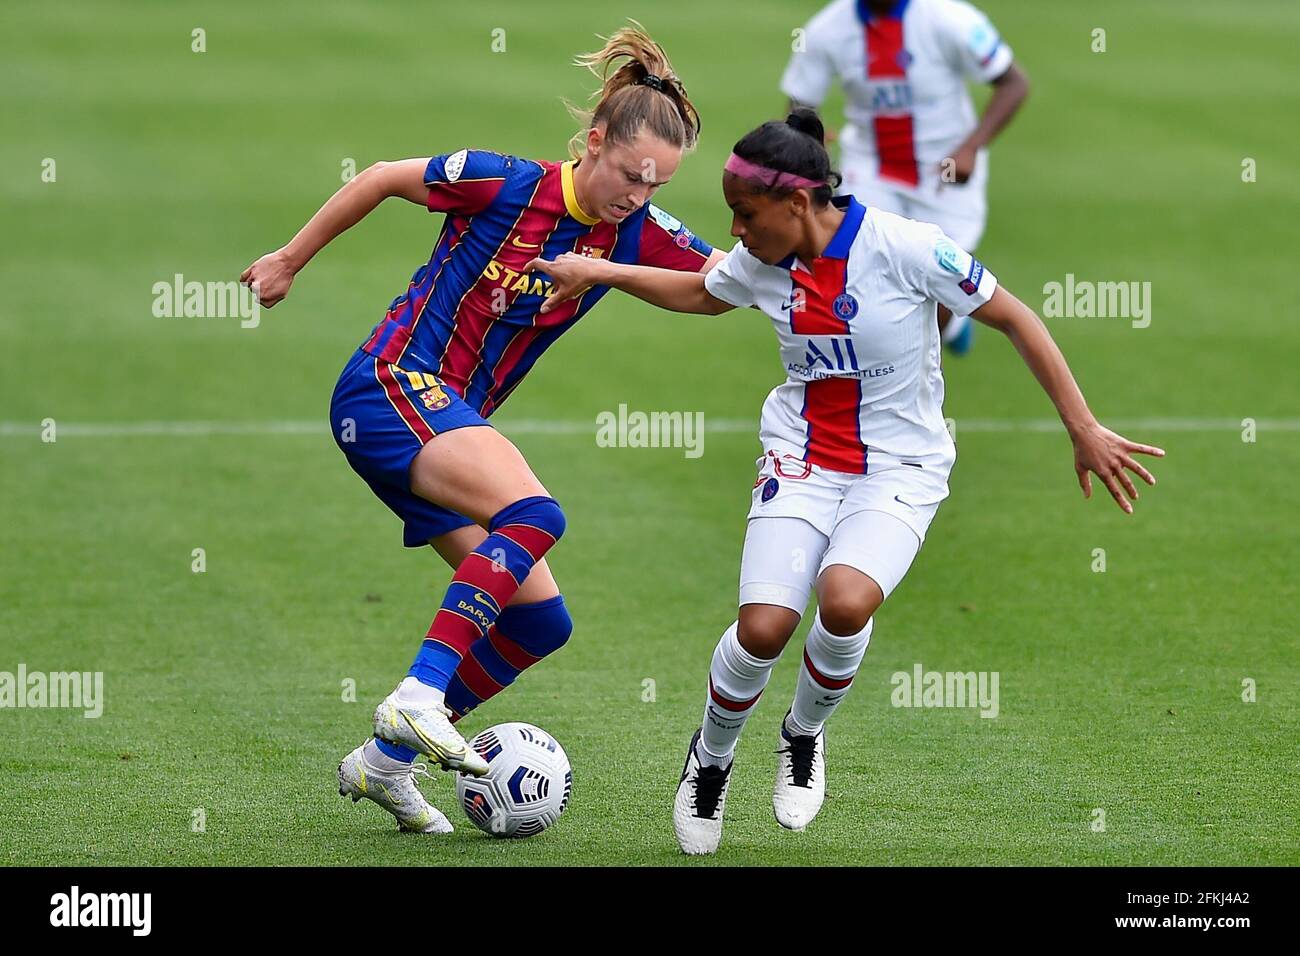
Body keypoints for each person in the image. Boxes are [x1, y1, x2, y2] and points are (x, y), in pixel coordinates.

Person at [529, 109, 1163, 855]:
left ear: (797, 205)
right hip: (800, 458)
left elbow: (1015, 317)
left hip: (902, 466)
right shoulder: (765, 261)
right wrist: (599, 271)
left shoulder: (907, 248)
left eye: (744, 213)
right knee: (764, 627)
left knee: (846, 599)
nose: (734, 230)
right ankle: (712, 757)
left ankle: (802, 734)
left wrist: (1082, 425)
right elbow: (704, 292)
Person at [239, 23, 721, 834]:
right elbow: (387, 178)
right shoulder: (502, 183)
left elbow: (715, 288)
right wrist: (290, 258)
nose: (639, 196)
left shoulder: (634, 233)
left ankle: (385, 765)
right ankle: (419, 696)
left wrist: (605, 270)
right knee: (537, 516)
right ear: (595, 142)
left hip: (446, 423)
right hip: (389, 388)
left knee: (540, 620)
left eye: (657, 185)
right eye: (632, 175)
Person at [781, 0, 1029, 354]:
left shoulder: (949, 18)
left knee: (948, 286)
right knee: (866, 276)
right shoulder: (827, 29)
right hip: (869, 167)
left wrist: (971, 148)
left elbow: (1013, 82)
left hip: (944, 170)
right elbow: (801, 102)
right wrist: (810, 150)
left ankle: (952, 324)